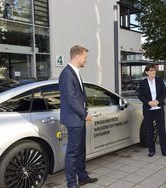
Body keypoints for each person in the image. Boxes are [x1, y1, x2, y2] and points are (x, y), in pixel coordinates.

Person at [59, 45, 98, 188]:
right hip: (74, 119)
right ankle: (71, 184)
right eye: (85, 57)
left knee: (81, 151)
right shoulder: (67, 74)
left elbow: (79, 96)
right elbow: (70, 99)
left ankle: (82, 177)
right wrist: (84, 114)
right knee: (72, 153)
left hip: (79, 119)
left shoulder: (74, 72)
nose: (85, 60)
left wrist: (85, 110)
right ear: (77, 56)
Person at [138, 64, 166, 158]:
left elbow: (164, 93)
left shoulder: (159, 80)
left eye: (154, 70)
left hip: (159, 108)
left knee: (161, 130)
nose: (153, 72)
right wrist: (148, 102)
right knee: (149, 130)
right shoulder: (143, 83)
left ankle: (165, 151)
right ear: (147, 72)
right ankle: (151, 150)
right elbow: (140, 96)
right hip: (148, 109)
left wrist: (158, 101)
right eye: (151, 70)